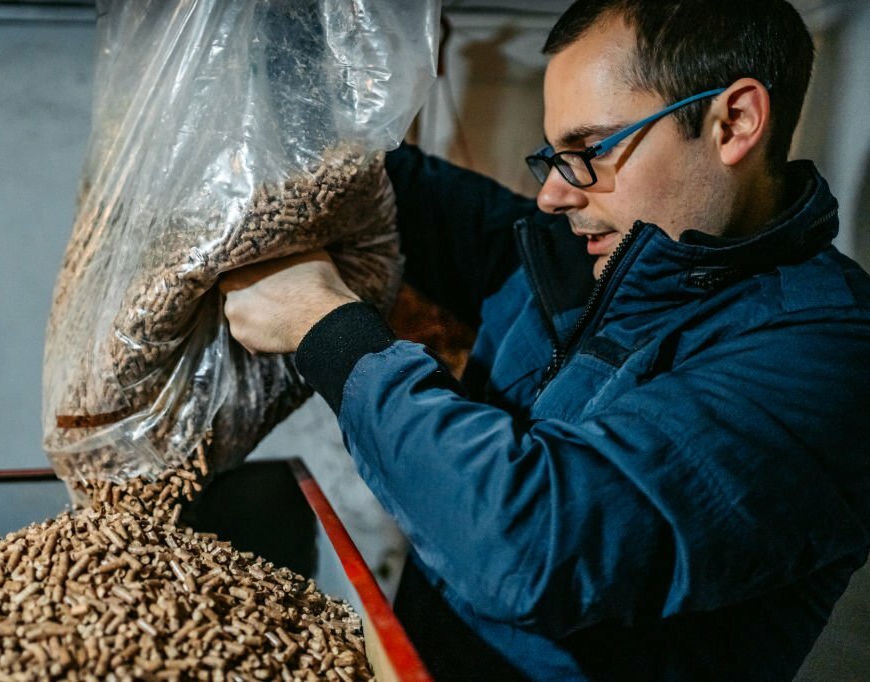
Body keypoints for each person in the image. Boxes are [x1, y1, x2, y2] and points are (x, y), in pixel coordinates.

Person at [219, 0, 870, 678]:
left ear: (732, 123)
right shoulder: (581, 256)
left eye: (589, 150)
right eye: (554, 157)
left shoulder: (829, 356)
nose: (553, 197)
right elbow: (375, 175)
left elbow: (528, 542)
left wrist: (326, 328)